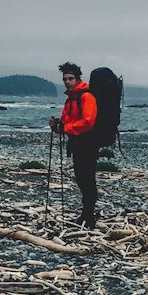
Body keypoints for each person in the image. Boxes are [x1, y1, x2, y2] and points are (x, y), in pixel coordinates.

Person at [50, 62, 99, 228]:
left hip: (88, 143)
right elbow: (67, 123)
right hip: (77, 143)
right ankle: (87, 215)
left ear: (78, 79)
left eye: (70, 78)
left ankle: (89, 217)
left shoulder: (86, 96)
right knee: (82, 178)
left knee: (87, 179)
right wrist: (57, 125)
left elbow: (88, 122)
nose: (67, 82)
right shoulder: (70, 99)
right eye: (65, 79)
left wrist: (64, 127)